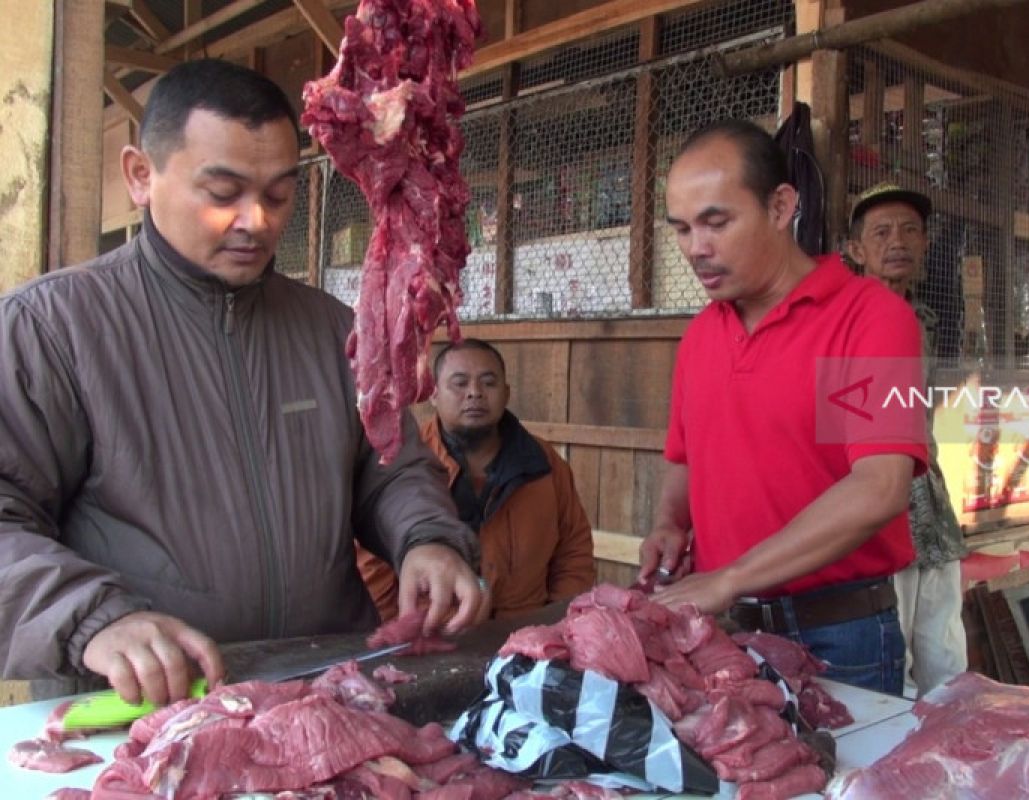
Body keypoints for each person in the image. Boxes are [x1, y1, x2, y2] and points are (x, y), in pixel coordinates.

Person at [0, 59, 484, 706]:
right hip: (148, 713)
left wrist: (426, 539)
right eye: (223, 193)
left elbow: (390, 468)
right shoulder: (52, 329)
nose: (256, 221)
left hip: (330, 694)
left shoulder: (331, 329)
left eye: (278, 195)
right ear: (141, 176)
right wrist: (93, 618)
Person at [637, 119, 928, 696]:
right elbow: (686, 458)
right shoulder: (701, 336)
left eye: (717, 222)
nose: (697, 247)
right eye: (682, 229)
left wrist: (731, 577)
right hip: (724, 630)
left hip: (840, 636)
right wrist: (670, 523)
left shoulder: (873, 318)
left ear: (780, 206)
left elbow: (879, 487)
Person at [358, 339, 596, 620]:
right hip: (432, 634)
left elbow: (573, 553)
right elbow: (373, 565)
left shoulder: (544, 463)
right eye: (459, 383)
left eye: (489, 383)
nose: (475, 393)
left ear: (506, 394)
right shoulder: (405, 465)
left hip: (525, 633)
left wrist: (555, 625)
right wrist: (399, 633)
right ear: (432, 393)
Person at [846, 181, 969, 696]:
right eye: (881, 232)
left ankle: (951, 746)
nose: (897, 241)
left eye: (909, 230)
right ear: (856, 249)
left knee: (943, 644)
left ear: (926, 244)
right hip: (876, 500)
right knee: (888, 647)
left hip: (930, 503)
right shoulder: (843, 321)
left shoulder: (928, 320)